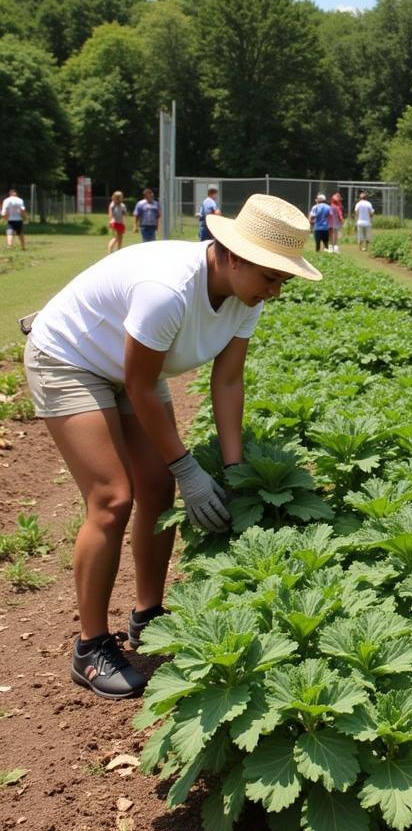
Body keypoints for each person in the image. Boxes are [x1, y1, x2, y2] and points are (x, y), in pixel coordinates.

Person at [22, 194, 321, 699]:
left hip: (132, 367)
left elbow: (227, 384)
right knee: (113, 497)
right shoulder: (169, 290)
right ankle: (90, 647)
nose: (275, 291)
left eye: (282, 280)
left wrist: (232, 470)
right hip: (70, 357)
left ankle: (149, 615)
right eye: (270, 277)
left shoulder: (246, 299)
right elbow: (140, 386)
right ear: (232, 255)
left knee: (157, 490)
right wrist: (187, 466)